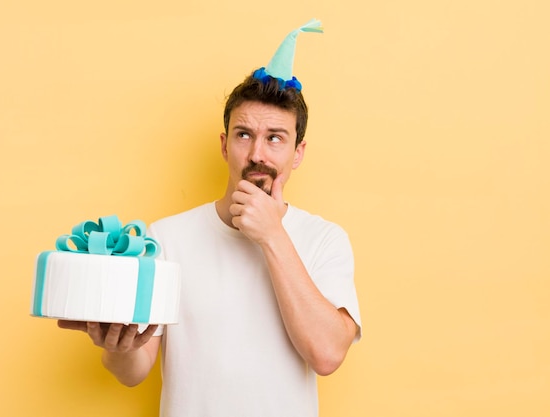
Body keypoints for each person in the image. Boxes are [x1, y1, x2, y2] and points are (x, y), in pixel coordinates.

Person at [58, 19, 361, 417]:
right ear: (224, 145)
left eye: (275, 137)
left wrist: (272, 236)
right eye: (243, 134)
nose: (257, 154)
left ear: (297, 153)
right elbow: (135, 370)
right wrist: (117, 349)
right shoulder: (165, 238)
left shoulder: (325, 239)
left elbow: (326, 356)